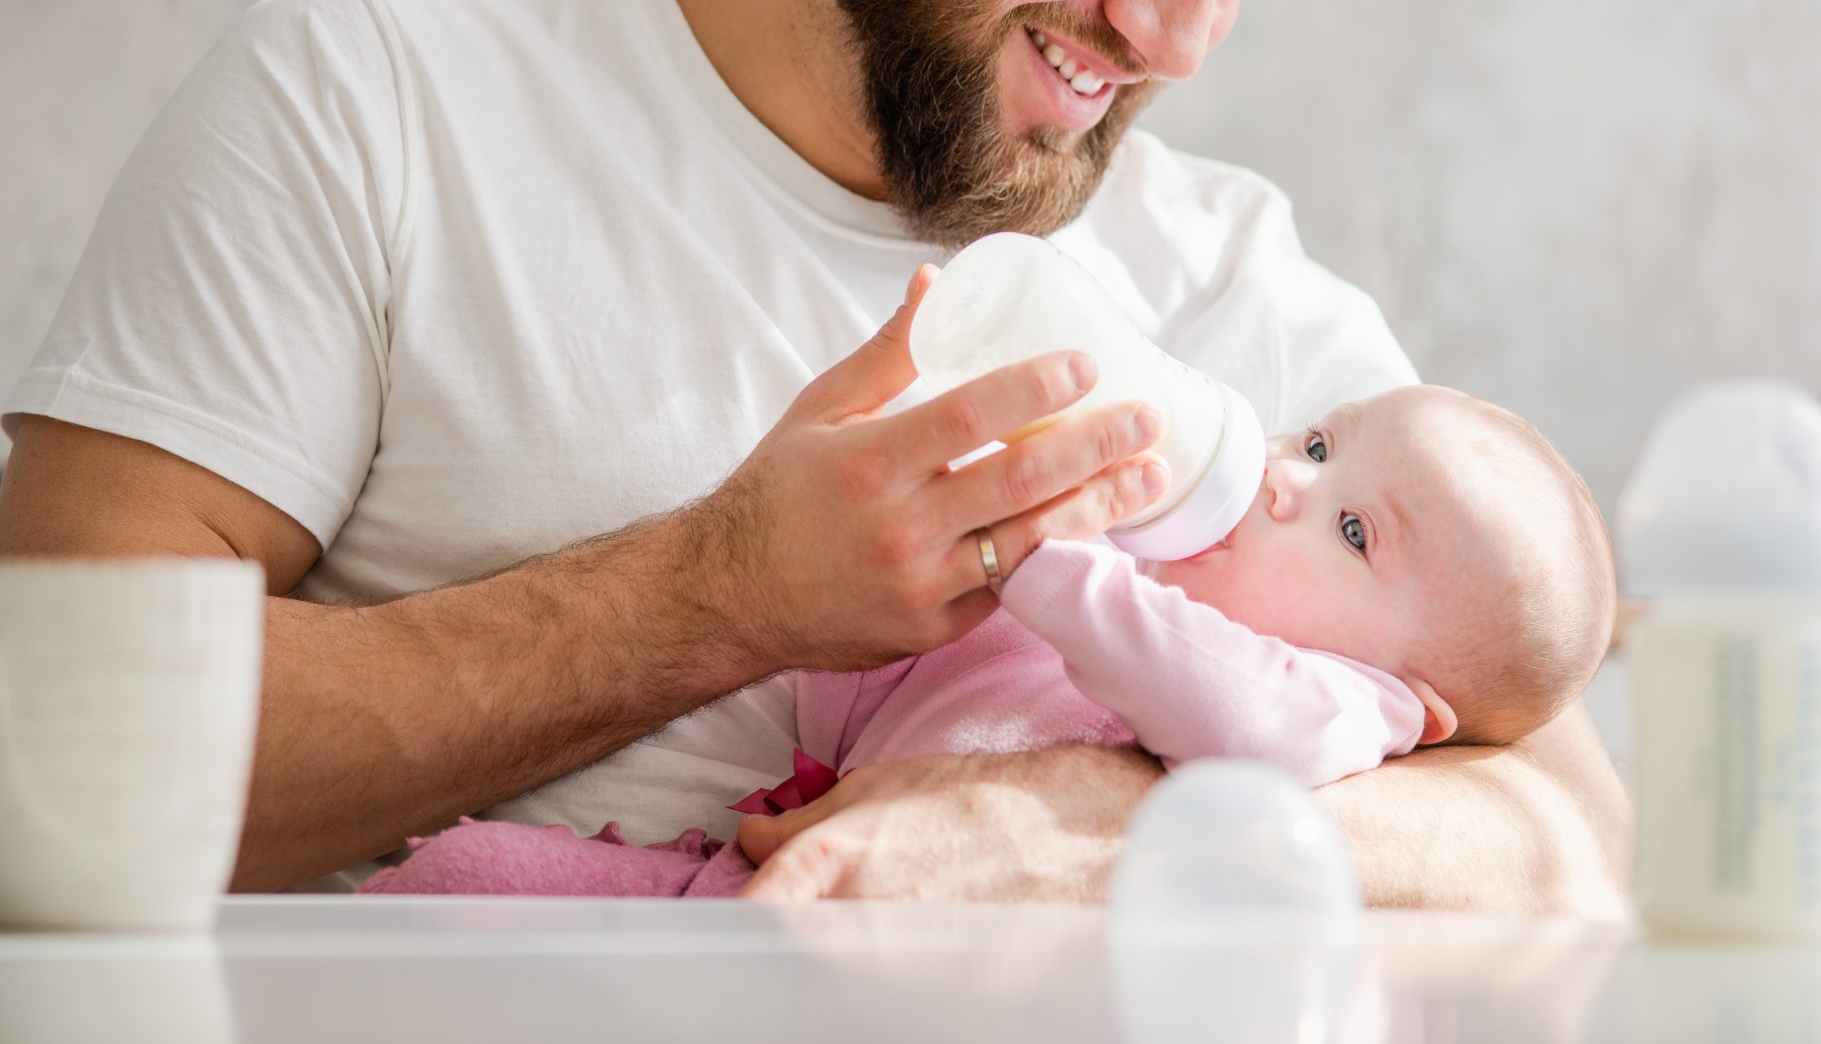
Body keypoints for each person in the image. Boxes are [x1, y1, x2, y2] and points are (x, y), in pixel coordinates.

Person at [0, 0, 1631, 912]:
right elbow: (40, 746)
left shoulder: (1236, 291)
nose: (1184, 34)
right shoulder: (379, 95)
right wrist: (714, 593)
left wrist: (1073, 820)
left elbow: (1561, 832)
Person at [357, 383, 1618, 898]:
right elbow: (852, 677)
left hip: (1012, 978)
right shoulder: (1135, 567)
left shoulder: (1341, 709)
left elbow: (1228, 715)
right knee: (467, 886)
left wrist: (1039, 553)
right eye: (1318, 443)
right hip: (762, 871)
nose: (1284, 480)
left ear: (1418, 697)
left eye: (1352, 527)